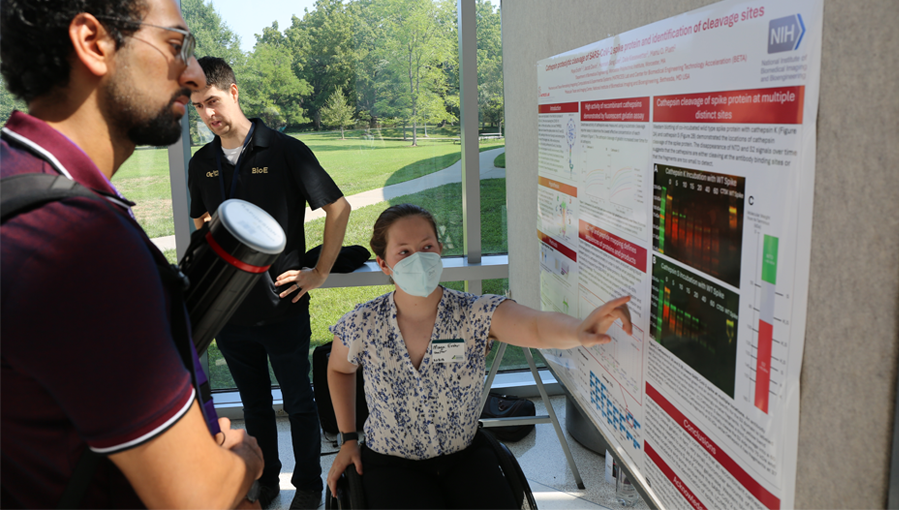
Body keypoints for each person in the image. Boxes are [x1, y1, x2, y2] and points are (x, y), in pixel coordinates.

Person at [0, 1, 265, 509]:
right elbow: (195, 498)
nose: (191, 75)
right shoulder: (79, 246)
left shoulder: (17, 182)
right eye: (174, 46)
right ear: (93, 42)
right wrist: (245, 460)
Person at [326, 204, 633, 510]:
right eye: (404, 252)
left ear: (439, 250)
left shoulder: (473, 313)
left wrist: (578, 329)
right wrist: (349, 438)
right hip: (389, 461)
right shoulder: (363, 323)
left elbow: (535, 326)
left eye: (426, 247)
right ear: (383, 264)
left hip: (464, 455)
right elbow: (339, 370)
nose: (418, 259)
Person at [187, 56, 351, 510]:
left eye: (213, 102)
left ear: (234, 92)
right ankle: (265, 482)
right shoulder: (201, 163)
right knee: (254, 406)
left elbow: (338, 209)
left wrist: (318, 273)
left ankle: (310, 486)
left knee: (299, 403)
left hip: (283, 307)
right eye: (198, 107)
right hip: (231, 317)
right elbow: (202, 221)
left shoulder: (284, 150)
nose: (208, 115)